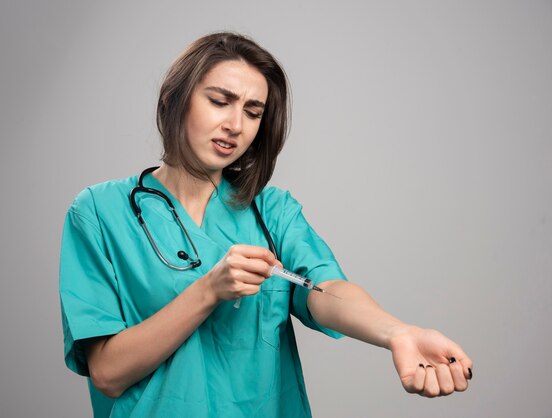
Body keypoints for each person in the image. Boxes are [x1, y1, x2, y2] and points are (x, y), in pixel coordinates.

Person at [59, 32, 473, 418]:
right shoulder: (99, 212)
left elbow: (326, 290)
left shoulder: (271, 211)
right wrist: (209, 290)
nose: (236, 125)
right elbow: (108, 372)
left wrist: (398, 333)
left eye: (252, 112)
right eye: (220, 101)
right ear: (174, 99)